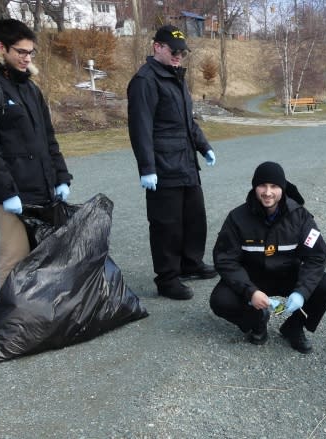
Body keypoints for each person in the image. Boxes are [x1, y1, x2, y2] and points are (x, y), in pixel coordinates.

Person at [0, 19, 72, 285]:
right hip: (10, 193)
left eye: (31, 52)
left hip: (40, 186)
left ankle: (38, 318)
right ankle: (10, 324)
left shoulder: (29, 88)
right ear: (1, 47)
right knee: (15, 258)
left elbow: (47, 139)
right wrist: (7, 193)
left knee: (44, 256)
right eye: (20, 52)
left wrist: (61, 177)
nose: (27, 58)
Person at [127, 24, 217, 300]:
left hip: (186, 162)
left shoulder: (176, 78)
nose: (179, 56)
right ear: (157, 47)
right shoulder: (145, 80)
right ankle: (167, 278)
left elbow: (187, 122)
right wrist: (147, 168)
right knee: (166, 224)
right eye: (174, 51)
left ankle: (190, 263)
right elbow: (140, 127)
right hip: (163, 167)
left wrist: (204, 147)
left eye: (182, 52)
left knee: (194, 218)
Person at [209, 162, 326, 353]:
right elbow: (225, 259)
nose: (268, 192)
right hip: (252, 276)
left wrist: (302, 292)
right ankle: (257, 321)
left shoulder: (300, 217)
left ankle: (294, 328)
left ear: (283, 189)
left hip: (287, 273)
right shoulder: (237, 218)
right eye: (262, 185)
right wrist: (250, 291)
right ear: (254, 187)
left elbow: (316, 257)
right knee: (220, 300)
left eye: (274, 186)